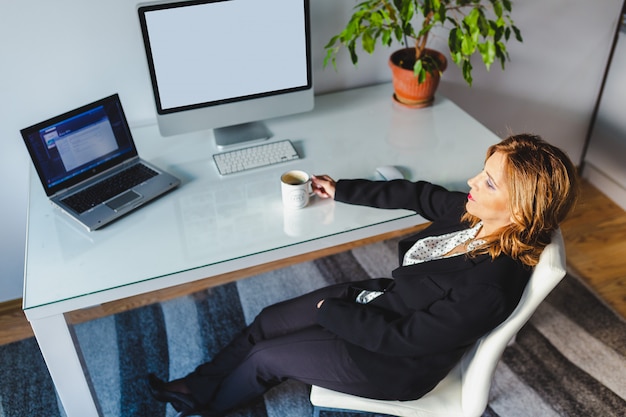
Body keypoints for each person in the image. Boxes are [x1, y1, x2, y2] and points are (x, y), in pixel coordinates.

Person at [147, 134, 579, 416]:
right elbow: (419, 194)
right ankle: (197, 385)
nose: (472, 181)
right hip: (382, 303)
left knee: (266, 358)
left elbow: (403, 340)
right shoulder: (478, 215)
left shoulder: (490, 287)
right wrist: (344, 189)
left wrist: (330, 311)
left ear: (521, 208)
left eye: (488, 182)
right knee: (268, 320)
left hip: (388, 362)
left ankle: (208, 407)